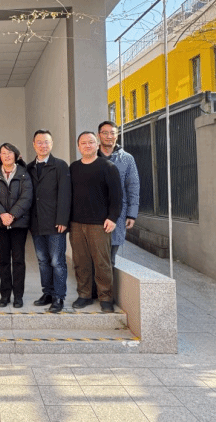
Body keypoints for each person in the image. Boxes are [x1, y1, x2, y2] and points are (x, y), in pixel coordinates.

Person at [69, 131, 122, 313]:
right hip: (76, 223)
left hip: (100, 224)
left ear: (97, 144)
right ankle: (84, 295)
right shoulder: (74, 168)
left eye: (91, 142)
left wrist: (113, 218)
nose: (87, 145)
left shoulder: (108, 167)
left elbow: (117, 196)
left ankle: (105, 297)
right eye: (83, 143)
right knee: (80, 262)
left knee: (102, 263)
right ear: (78, 146)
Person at [27, 130, 72, 313]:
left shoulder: (60, 165)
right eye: (39, 142)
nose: (43, 145)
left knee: (57, 261)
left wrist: (62, 219)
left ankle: (59, 297)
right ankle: (47, 293)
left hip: (55, 223)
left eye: (46, 142)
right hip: (36, 222)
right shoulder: (29, 168)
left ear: (51, 144)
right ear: (33, 144)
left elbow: (65, 194)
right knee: (42, 261)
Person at [0, 143, 33, 308]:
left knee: (18, 260)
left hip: (19, 223)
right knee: (3, 260)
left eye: (10, 153)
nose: (7, 156)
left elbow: (26, 197)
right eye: (3, 153)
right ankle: (5, 295)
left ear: (16, 155)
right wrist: (2, 214)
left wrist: (12, 215)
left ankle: (18, 296)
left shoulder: (24, 174)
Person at [97, 121, 140, 266]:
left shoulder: (127, 159)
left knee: (110, 259)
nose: (109, 136)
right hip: (94, 214)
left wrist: (131, 214)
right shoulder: (91, 157)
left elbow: (133, 186)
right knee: (93, 257)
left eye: (112, 133)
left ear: (117, 135)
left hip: (117, 215)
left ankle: (108, 282)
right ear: (98, 135)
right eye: (105, 133)